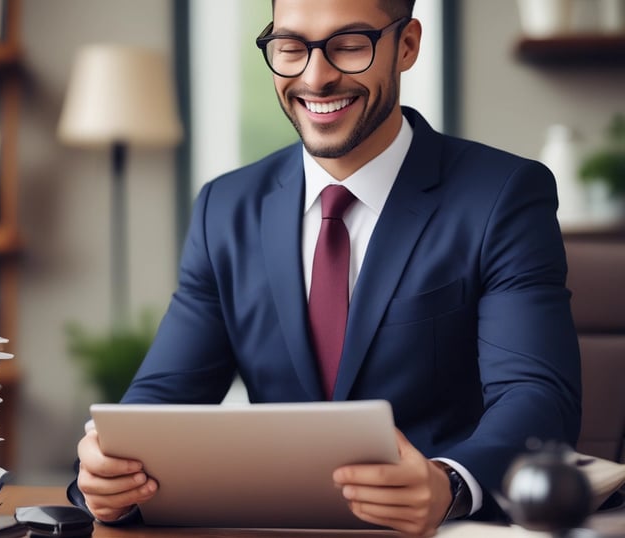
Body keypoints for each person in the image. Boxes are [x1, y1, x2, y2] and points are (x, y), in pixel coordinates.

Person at [68, 0, 581, 535]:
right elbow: (161, 401)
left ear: (405, 46)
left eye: (351, 45)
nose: (316, 77)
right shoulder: (226, 207)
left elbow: (539, 397)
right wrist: (107, 474)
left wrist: (449, 483)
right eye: (291, 48)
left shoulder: (502, 195)